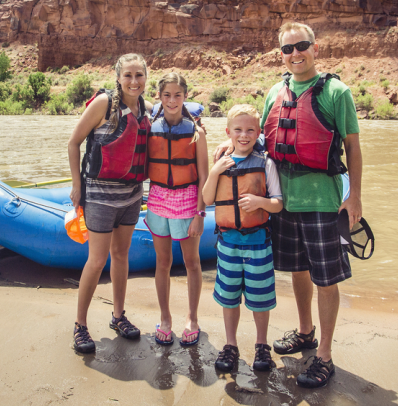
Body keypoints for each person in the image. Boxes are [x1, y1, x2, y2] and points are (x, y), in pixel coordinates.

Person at [214, 22, 362, 388]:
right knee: (297, 270)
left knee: (325, 278)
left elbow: (353, 147)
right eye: (287, 49)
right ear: (280, 53)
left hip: (322, 201)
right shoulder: (274, 92)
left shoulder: (336, 92)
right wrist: (225, 149)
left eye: (302, 46)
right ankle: (306, 332)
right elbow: (257, 141)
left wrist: (355, 195)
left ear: (315, 48)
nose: (295, 54)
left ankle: (324, 355)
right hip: (283, 203)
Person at [68, 53, 153, 353]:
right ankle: (80, 325)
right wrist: (77, 185)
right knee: (97, 259)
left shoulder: (147, 109)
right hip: (100, 197)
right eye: (128, 75)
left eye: (139, 75)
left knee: (121, 255)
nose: (133, 81)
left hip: (131, 196)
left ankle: (118, 316)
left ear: (146, 77)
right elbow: (73, 142)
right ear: (118, 77)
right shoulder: (103, 104)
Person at [203, 104, 283, 372]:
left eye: (250, 130)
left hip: (258, 243)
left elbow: (278, 204)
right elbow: (207, 198)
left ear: (259, 132)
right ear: (228, 132)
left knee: (260, 299)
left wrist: (261, 201)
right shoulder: (221, 163)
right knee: (229, 297)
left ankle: (262, 345)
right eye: (238, 130)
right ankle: (230, 345)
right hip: (228, 244)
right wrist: (214, 172)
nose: (244, 135)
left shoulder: (265, 163)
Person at [145, 73, 208, 347]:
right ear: (159, 97)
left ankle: (192, 318)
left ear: (185, 97)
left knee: (192, 263)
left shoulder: (197, 133)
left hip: (187, 200)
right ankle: (165, 318)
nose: (172, 101)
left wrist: (200, 214)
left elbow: (204, 177)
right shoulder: (150, 129)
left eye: (178, 95)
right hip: (158, 199)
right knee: (163, 262)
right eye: (167, 95)